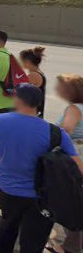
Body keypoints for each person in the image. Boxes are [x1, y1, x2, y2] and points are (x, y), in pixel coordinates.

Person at [0, 85, 82, 253]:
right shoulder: (56, 133)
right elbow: (78, 168)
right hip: (42, 198)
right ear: (38, 104)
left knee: (7, 228)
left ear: (17, 100)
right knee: (33, 242)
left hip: (8, 191)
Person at [49, 74, 83, 253]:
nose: (57, 90)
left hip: (72, 158)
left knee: (69, 199)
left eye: (61, 88)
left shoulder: (74, 108)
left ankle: (70, 246)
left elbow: (66, 130)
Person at [19, 47, 47, 118]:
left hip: (32, 113)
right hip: (35, 112)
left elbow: (21, 92)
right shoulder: (38, 73)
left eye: (21, 60)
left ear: (27, 61)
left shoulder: (33, 75)